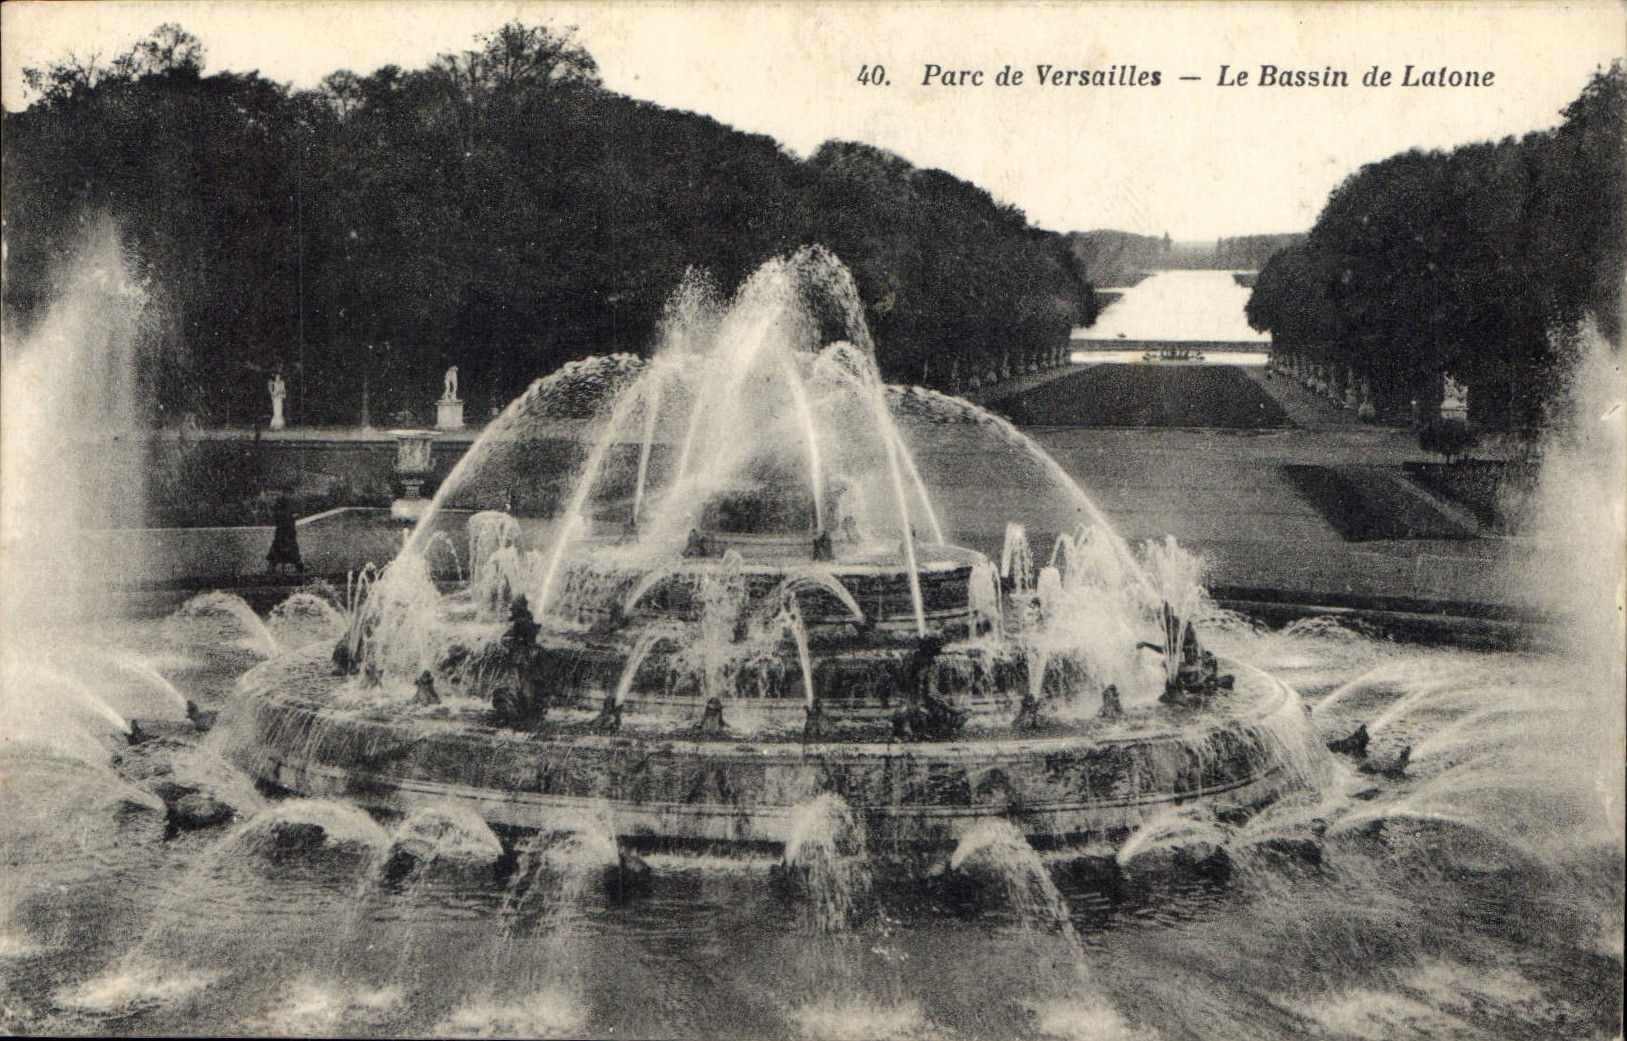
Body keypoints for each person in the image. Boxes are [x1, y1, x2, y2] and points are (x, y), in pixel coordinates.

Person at [266, 496, 304, 574]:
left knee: (275, 556)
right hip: (286, 538)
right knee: (293, 555)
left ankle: (271, 570)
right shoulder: (284, 514)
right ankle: (300, 571)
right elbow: (288, 525)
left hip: (282, 538)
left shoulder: (281, 513)